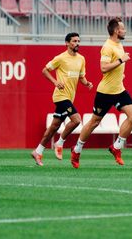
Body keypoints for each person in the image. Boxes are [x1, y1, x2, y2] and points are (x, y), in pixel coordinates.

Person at [71, 17, 132, 169]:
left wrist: (120, 73)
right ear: (116, 31)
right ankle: (76, 150)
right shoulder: (107, 47)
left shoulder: (119, 44)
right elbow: (103, 68)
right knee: (95, 121)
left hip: (119, 89)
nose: (125, 30)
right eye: (123, 28)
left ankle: (116, 147)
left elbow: (115, 68)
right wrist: (121, 61)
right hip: (106, 92)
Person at [31, 32, 93, 166]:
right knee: (76, 120)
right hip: (60, 96)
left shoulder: (81, 59)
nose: (77, 43)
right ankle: (60, 143)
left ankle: (38, 151)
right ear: (67, 43)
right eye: (74, 41)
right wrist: (55, 82)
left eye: (78, 41)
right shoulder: (61, 58)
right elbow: (45, 70)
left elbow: (81, 76)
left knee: (54, 126)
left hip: (70, 97)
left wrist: (87, 83)